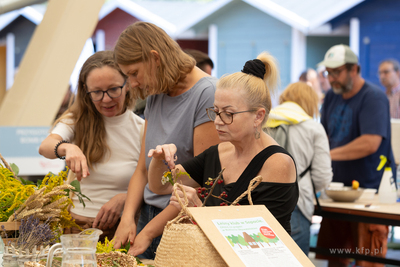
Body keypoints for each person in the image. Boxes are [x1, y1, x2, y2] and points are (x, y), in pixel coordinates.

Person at [127, 52, 299, 257]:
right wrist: (159, 160)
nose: (217, 121)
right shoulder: (219, 152)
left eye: (228, 114)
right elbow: (159, 185)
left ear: (258, 116)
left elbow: (262, 243)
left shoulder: (277, 164)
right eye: (216, 112)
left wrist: (199, 210)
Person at [112, 22, 220, 259]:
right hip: (146, 218)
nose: (132, 83)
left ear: (155, 58)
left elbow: (200, 182)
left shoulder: (207, 93)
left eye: (134, 73)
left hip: (178, 225)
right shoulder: (157, 92)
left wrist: (150, 232)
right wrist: (127, 218)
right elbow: (142, 169)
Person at [38, 50, 145, 241]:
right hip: (74, 231)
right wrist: (68, 148)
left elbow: (153, 183)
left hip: (119, 234)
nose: (105, 99)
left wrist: (125, 198)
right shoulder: (78, 120)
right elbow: (46, 146)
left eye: (113, 89)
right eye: (96, 92)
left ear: (127, 84)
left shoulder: (142, 129)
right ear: (86, 91)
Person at [316, 44, 395, 267]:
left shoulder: (374, 98)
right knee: (335, 258)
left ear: (355, 69)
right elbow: (323, 136)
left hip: (370, 194)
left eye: (337, 72)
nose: (331, 79)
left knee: (368, 261)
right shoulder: (331, 97)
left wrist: (326, 155)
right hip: (337, 191)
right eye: (327, 73)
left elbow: (370, 143)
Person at [264, 82, 332, 255]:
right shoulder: (313, 128)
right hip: (297, 203)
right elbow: (322, 176)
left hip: (260, 199)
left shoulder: (263, 120)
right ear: (310, 103)